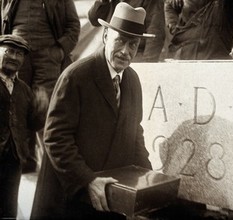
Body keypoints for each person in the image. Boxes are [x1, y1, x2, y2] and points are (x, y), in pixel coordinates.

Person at [31, 2, 153, 219]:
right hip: (70, 201)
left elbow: (135, 135)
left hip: (107, 201)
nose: (126, 51)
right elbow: (55, 138)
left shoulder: (132, 80)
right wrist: (87, 179)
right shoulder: (76, 76)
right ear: (106, 35)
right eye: (120, 41)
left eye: (133, 45)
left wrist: (149, 178)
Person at [0, 0, 81, 173]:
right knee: (17, 106)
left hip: (48, 57)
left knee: (45, 108)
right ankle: (25, 164)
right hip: (17, 56)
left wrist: (59, 50)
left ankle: (51, 170)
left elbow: (74, 26)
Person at [0, 34, 48, 219]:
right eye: (9, 51)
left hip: (14, 159)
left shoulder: (24, 90)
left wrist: (40, 110)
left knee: (9, 208)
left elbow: (32, 125)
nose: (14, 57)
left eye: (19, 54)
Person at [88, 0, 166, 62]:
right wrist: (103, 1)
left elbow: (155, 34)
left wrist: (147, 65)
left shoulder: (152, 1)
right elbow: (94, 20)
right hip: (111, 52)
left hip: (135, 56)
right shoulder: (112, 1)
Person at [164, 0, 233, 60]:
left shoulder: (226, 3)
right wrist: (174, 27)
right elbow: (169, 4)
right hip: (186, 58)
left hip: (215, 60)